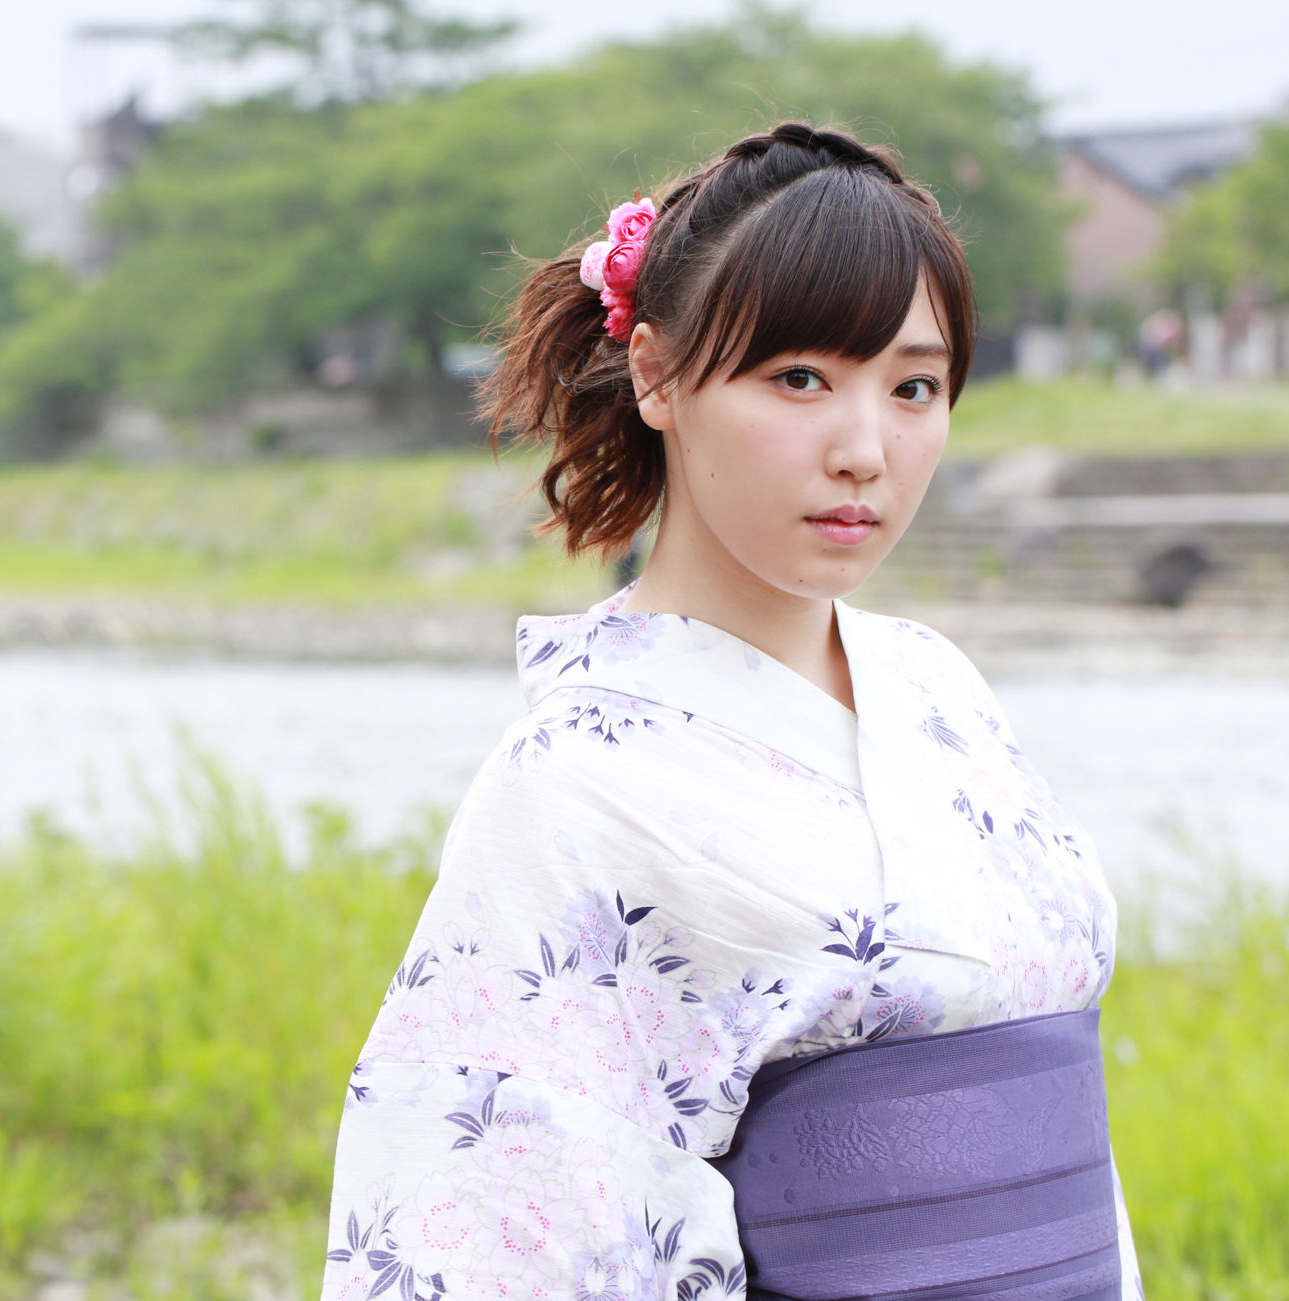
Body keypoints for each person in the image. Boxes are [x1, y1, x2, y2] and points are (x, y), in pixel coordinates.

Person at [318, 122, 1141, 1301]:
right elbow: (502, 1232)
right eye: (799, 378)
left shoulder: (936, 686)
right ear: (655, 374)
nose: (863, 450)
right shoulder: (572, 783)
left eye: (912, 386)